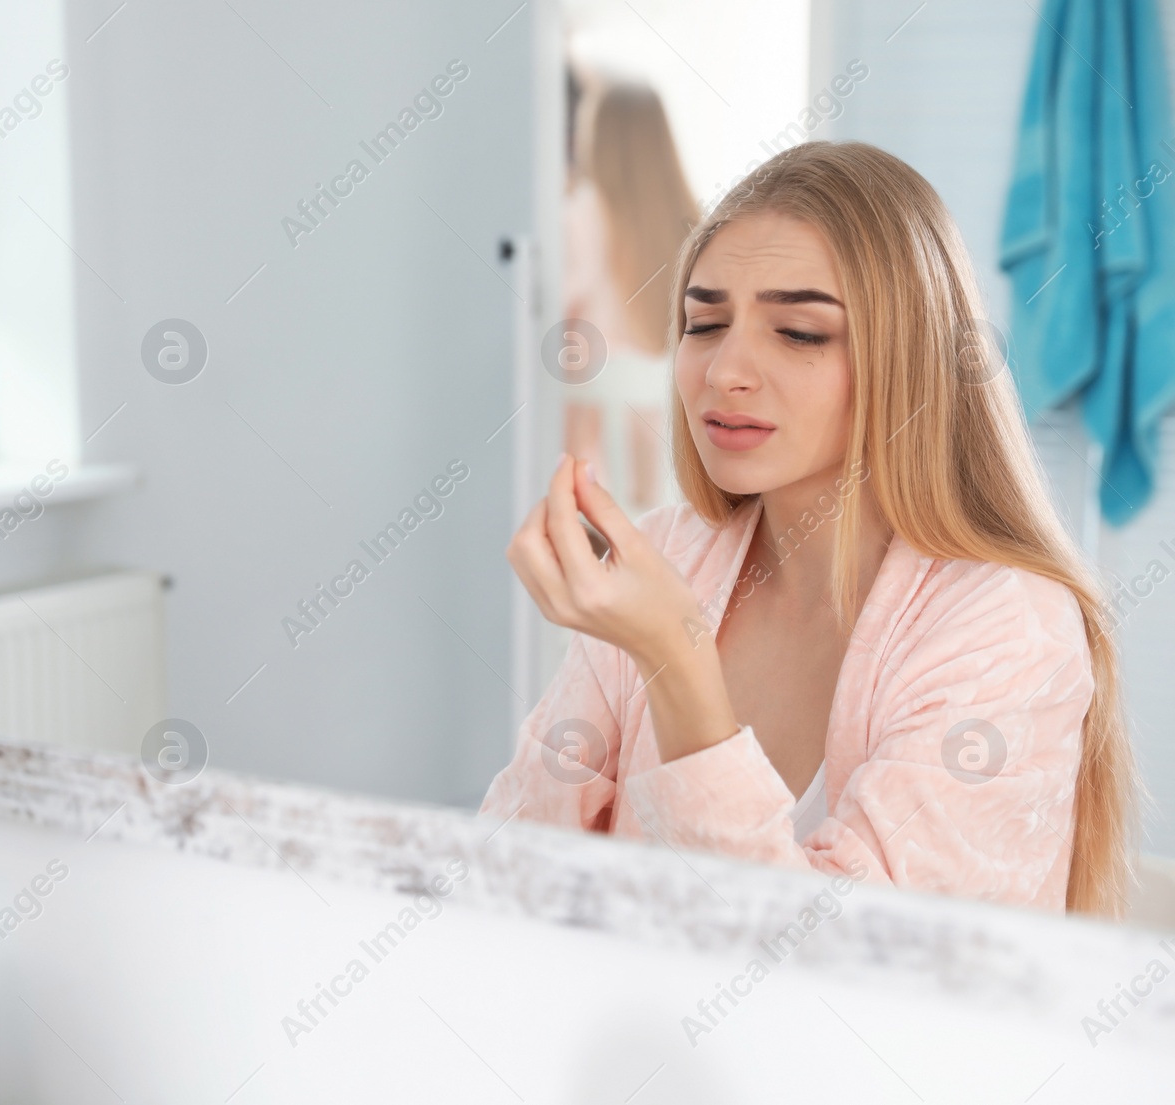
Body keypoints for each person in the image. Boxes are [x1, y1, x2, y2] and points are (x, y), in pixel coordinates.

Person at [484, 141, 1141, 918]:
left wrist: (676, 658)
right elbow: (508, 869)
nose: (726, 369)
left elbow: (838, 978)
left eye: (797, 332)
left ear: (911, 360)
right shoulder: (665, 558)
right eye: (704, 322)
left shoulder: (1008, 628)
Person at [560, 78, 697, 514]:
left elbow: (565, 330)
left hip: (597, 468)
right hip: (677, 468)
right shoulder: (693, 221)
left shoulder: (579, 215)